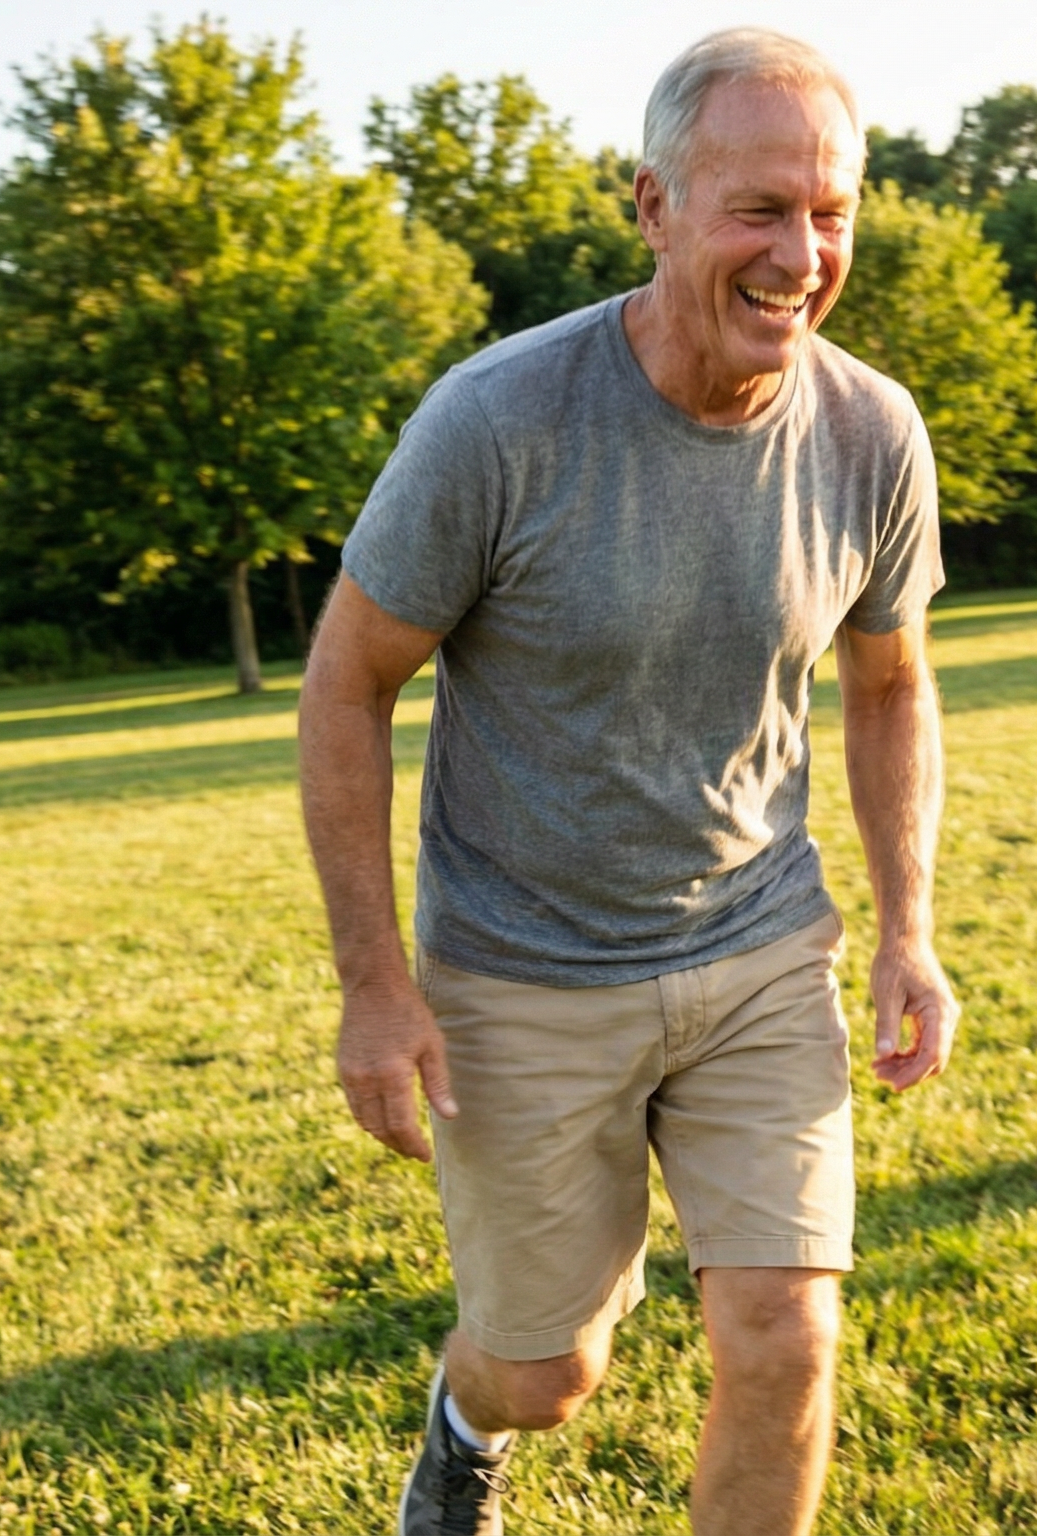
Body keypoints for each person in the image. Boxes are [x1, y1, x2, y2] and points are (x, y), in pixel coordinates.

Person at [296, 27, 956, 1536]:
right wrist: (373, 982)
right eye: (760, 209)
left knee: (786, 1333)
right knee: (552, 1368)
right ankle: (469, 1427)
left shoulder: (872, 433)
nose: (803, 253)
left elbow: (890, 680)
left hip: (758, 950)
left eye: (833, 212)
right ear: (652, 207)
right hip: (521, 971)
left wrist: (908, 927)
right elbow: (347, 682)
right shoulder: (500, 423)